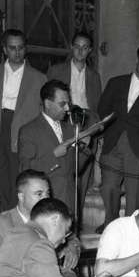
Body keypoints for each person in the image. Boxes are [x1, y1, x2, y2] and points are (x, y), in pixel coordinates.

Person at [96, 44, 139, 233]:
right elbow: (102, 110)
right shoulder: (116, 83)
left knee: (135, 194)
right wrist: (105, 134)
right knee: (108, 187)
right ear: (137, 60)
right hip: (113, 143)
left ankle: (130, 230)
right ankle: (110, 224)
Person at [0, 29, 46, 211]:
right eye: (12, 48)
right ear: (5, 49)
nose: (17, 52)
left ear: (25, 48)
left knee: (18, 173)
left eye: (20, 48)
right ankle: (7, 210)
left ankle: (15, 212)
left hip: (22, 127)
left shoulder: (38, 78)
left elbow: (42, 109)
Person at [47, 32, 102, 218]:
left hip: (85, 121)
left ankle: (76, 216)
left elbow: (96, 105)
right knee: (63, 167)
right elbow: (48, 100)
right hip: (64, 119)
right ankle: (59, 213)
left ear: (90, 50)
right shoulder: (56, 70)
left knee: (83, 170)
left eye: (85, 48)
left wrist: (95, 128)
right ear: (71, 47)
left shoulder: (94, 76)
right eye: (77, 46)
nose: (80, 51)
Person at [18, 80, 78, 211]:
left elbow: (76, 168)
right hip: (45, 203)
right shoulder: (29, 131)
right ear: (47, 104)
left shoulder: (70, 129)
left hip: (69, 199)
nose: (67, 109)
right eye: (62, 104)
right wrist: (53, 156)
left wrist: (84, 147)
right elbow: (26, 171)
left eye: (68, 103)